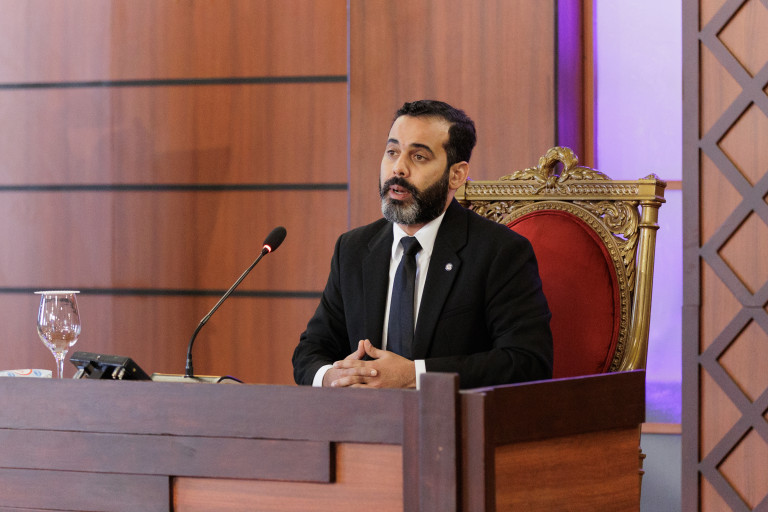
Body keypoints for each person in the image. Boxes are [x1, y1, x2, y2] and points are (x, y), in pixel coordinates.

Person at [292, 100, 552, 389]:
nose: (398, 168)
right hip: (363, 415)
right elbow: (310, 351)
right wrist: (331, 376)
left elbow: (528, 361)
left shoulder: (499, 252)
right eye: (392, 152)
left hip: (451, 416)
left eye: (418, 156)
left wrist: (415, 375)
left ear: (456, 174)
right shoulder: (353, 249)